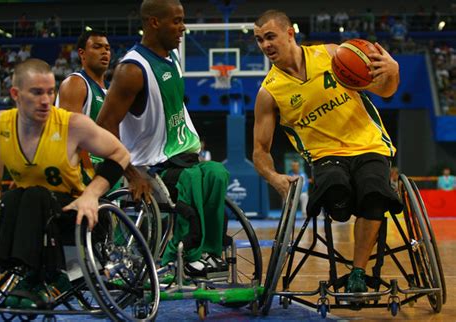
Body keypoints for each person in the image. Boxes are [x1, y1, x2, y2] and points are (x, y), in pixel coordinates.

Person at [252, 10, 402, 294]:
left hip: (369, 145)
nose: (265, 45)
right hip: (325, 156)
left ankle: (358, 272)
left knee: (373, 194)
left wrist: (393, 72)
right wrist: (273, 177)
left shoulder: (335, 57)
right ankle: (344, 205)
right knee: (336, 193)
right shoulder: (269, 93)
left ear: (289, 33)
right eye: (259, 40)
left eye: (270, 36)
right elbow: (260, 150)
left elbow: (385, 91)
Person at [96, 0, 229, 277]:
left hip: (180, 159)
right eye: (177, 21)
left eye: (183, 20)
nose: (183, 27)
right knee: (190, 180)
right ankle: (183, 254)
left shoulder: (172, 57)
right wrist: (131, 173)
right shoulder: (132, 70)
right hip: (150, 168)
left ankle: (209, 252)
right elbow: (104, 125)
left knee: (217, 173)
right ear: (154, 22)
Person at [0, 58, 129, 308]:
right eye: (37, 92)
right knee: (12, 198)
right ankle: (25, 274)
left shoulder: (73, 124)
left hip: (80, 218)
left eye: (50, 92)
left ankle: (53, 276)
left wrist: (92, 194)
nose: (45, 100)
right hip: (35, 214)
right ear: (15, 94)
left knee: (33, 194)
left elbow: (121, 154)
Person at [56, 30, 113, 186]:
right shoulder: (75, 83)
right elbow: (70, 135)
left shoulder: (110, 90)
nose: (104, 52)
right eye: (97, 47)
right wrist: (89, 173)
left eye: (107, 48)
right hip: (84, 171)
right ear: (82, 53)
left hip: (107, 169)